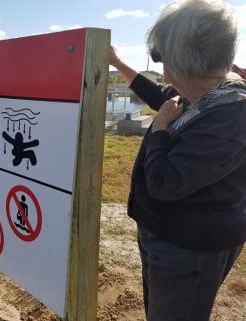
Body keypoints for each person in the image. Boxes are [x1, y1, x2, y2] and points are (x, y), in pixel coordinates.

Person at [109, 1, 246, 321]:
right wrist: (117, 63)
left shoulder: (230, 117)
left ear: (185, 61)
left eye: (159, 54)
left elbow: (165, 182)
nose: (159, 61)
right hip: (166, 233)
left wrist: (159, 128)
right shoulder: (205, 90)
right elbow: (159, 95)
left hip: (189, 249)